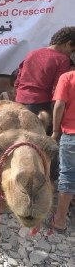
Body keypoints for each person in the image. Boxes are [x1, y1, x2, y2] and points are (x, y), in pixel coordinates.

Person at [14, 27, 75, 115]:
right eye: (72, 50)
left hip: (19, 102)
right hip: (41, 107)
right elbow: (57, 89)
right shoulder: (63, 60)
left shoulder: (32, 53)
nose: (70, 54)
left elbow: (18, 80)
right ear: (68, 44)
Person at [50, 70, 75, 233]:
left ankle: (59, 221)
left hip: (72, 134)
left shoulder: (68, 77)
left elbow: (59, 104)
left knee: (68, 176)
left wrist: (55, 131)